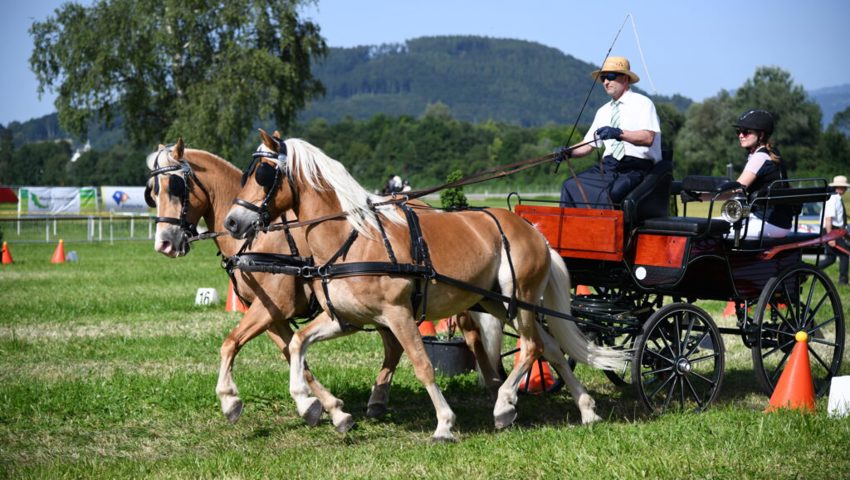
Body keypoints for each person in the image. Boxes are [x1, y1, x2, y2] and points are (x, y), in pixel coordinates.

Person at [558, 56, 662, 208]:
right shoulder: (603, 111)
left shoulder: (643, 103)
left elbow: (647, 138)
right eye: (603, 78)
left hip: (635, 167)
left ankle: (603, 231)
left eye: (611, 77)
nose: (606, 82)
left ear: (625, 78)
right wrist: (568, 152)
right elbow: (588, 145)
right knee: (569, 185)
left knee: (609, 193)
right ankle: (572, 230)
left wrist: (619, 133)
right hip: (608, 167)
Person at [730, 109, 793, 238]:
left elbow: (737, 188)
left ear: (761, 135)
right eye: (739, 132)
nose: (741, 135)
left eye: (746, 132)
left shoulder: (759, 157)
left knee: (711, 228)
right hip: (780, 223)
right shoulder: (773, 153)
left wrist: (700, 196)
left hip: (767, 222)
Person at [817, 175, 848, 284]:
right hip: (831, 230)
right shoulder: (832, 199)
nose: (846, 189)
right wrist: (830, 237)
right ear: (840, 187)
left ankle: (809, 271)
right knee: (845, 254)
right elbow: (828, 218)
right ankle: (843, 281)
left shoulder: (837, 198)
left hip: (835, 230)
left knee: (831, 258)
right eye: (844, 187)